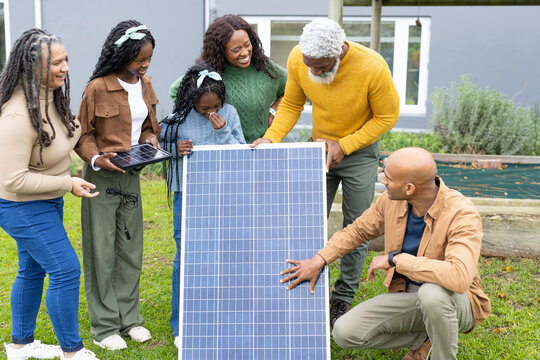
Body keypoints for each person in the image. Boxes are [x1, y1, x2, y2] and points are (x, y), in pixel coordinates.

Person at [251, 18, 400, 325]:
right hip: (318, 149)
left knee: (356, 225)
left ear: (338, 53)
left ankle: (342, 297)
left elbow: (387, 116)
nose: (313, 72)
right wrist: (271, 137)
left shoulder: (372, 68)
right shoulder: (298, 58)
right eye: (309, 65)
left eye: (319, 66)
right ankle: (305, 281)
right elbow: (292, 104)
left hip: (358, 151)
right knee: (304, 217)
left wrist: (345, 145)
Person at [280, 147, 491, 360]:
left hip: (458, 301)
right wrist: (320, 259)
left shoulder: (462, 213)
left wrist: (397, 260)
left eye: (388, 177)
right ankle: (426, 338)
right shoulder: (390, 200)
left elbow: (459, 277)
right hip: (410, 296)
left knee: (431, 295)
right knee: (344, 332)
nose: (382, 180)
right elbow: (359, 230)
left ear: (409, 188)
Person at [0, 28, 99, 360]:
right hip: (20, 206)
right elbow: (13, 180)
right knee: (65, 269)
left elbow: (63, 137)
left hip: (46, 201)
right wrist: (67, 183)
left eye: (66, 60)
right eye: (56, 63)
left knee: (32, 268)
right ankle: (72, 351)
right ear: (32, 67)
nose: (65, 68)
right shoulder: (16, 116)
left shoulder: (48, 97)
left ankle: (20, 346)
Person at [75, 20, 160, 350]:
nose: (144, 65)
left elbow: (147, 128)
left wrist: (150, 139)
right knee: (102, 251)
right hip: (101, 177)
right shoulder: (97, 87)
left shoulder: (145, 84)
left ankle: (130, 319)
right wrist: (97, 159)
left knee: (131, 249)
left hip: (132, 176)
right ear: (121, 54)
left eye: (149, 59)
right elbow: (82, 135)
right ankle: (105, 325)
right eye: (139, 59)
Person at [160, 62, 246, 347]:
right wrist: (175, 149)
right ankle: (181, 325)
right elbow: (158, 147)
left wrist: (222, 132)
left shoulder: (229, 114)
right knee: (185, 258)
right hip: (188, 195)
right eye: (204, 108)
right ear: (190, 100)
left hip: (223, 195)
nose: (211, 112)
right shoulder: (178, 117)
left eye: (216, 106)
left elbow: (241, 155)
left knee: (223, 255)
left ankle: (220, 316)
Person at [169, 14, 287, 143]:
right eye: (236, 50)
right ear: (220, 51)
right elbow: (175, 91)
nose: (245, 53)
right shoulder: (209, 74)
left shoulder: (265, 68)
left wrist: (274, 110)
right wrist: (204, 117)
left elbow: (294, 86)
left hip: (259, 148)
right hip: (224, 151)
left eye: (247, 45)